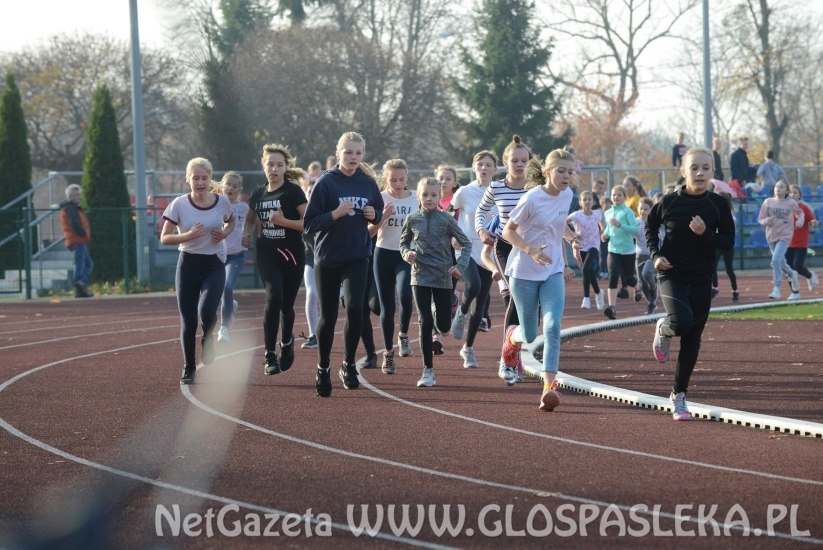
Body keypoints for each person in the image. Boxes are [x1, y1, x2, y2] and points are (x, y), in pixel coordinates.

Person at [648, 147, 736, 421]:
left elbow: (728, 242)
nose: (700, 173)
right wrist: (655, 256)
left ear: (713, 172)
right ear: (683, 171)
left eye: (706, 168)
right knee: (682, 323)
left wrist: (706, 233)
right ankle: (663, 326)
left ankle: (679, 395)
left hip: (702, 276)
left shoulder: (718, 204)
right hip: (672, 272)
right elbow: (650, 227)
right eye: (694, 167)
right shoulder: (669, 202)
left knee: (692, 340)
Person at [303, 132, 384, 397]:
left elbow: (377, 212)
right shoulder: (326, 183)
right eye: (348, 152)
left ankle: (348, 364)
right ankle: (323, 367)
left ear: (363, 155)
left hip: (357, 256)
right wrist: (334, 214)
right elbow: (309, 224)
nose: (353, 158)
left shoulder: (368, 184)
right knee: (327, 316)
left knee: (355, 309)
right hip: (327, 258)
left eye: (358, 153)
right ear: (338, 153)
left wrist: (374, 214)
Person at [499, 149, 576, 411]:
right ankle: (512, 339)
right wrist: (531, 249)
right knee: (530, 334)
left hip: (552, 270)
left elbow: (558, 223)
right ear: (547, 172)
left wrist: (571, 237)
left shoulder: (568, 195)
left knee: (553, 327)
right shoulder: (532, 198)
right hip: (524, 272)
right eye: (561, 171)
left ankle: (548, 389)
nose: (566, 176)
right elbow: (508, 232)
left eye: (570, 171)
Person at [161, 158, 235, 385]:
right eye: (196, 178)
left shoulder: (222, 202)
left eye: (204, 178)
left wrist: (224, 233)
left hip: (213, 264)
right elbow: (165, 238)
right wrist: (187, 236)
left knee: (207, 311)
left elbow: (230, 222)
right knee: (189, 320)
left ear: (210, 179)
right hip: (188, 265)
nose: (200, 183)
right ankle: (189, 366)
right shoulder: (179, 205)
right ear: (188, 180)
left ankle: (208, 338)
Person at [399, 177, 471, 387]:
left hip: (443, 276)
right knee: (424, 321)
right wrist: (407, 253)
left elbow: (466, 244)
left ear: (439, 197)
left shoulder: (447, 220)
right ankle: (427, 371)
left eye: (433, 195)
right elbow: (403, 242)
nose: (429, 198)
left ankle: (451, 306)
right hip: (419, 275)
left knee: (443, 326)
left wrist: (460, 267)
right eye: (425, 195)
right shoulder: (412, 219)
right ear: (418, 197)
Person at [242, 144, 307, 375]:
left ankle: (287, 342)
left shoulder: (293, 192)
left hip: (291, 254)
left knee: (286, 306)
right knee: (274, 297)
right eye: (270, 164)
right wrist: (246, 234)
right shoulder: (258, 194)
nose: (274, 169)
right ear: (264, 166)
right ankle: (269, 354)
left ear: (285, 167)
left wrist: (283, 223)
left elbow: (308, 223)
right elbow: (250, 219)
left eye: (279, 165)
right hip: (267, 253)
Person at [475, 135, 531, 382]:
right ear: (506, 163)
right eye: (515, 161)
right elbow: (481, 210)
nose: (520, 165)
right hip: (505, 247)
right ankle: (506, 360)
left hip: (529, 248)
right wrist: (481, 230)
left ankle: (514, 356)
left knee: (529, 308)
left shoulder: (536, 188)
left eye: (524, 161)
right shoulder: (496, 187)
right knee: (515, 297)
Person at [449, 150, 499, 368]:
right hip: (466, 248)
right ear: (474, 168)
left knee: (481, 306)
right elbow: (449, 214)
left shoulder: (500, 191)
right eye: (480, 165)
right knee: (474, 286)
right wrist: (452, 236)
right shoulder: (464, 192)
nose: (484, 168)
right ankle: (461, 312)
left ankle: (468, 348)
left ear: (495, 169)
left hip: (488, 252)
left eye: (489, 165)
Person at [370, 159, 418, 374]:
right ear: (385, 179)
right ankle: (388, 353)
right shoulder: (379, 198)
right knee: (387, 307)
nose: (397, 184)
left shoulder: (416, 197)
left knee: (406, 294)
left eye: (401, 179)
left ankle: (404, 335)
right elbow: (369, 232)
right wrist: (383, 217)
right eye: (392, 180)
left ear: (407, 177)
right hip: (383, 254)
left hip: (406, 253)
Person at [215, 171, 249, 342]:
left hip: (236, 255)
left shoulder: (243, 207)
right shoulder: (216, 204)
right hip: (217, 255)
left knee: (227, 287)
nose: (231, 188)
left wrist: (248, 235)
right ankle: (231, 306)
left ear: (239, 191)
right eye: (228, 184)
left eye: (235, 186)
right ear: (222, 187)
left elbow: (250, 224)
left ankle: (223, 329)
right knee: (218, 290)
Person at [758, 180, 804, 300]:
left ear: (787, 191)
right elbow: (761, 219)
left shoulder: (791, 203)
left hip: (785, 235)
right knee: (781, 262)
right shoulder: (768, 202)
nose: (778, 188)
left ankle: (776, 289)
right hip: (771, 236)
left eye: (782, 187)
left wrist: (799, 222)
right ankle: (792, 273)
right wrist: (767, 221)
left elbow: (800, 213)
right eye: (777, 186)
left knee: (775, 260)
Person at [600, 185, 639, 319]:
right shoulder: (607, 213)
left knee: (628, 279)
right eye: (614, 195)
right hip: (613, 250)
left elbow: (636, 230)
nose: (616, 197)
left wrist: (620, 225)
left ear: (624, 197)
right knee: (613, 277)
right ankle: (612, 307)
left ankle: (637, 287)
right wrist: (605, 235)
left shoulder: (628, 212)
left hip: (628, 250)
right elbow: (608, 230)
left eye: (619, 195)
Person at [567, 190, 604, 310]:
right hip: (581, 245)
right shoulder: (576, 215)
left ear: (593, 202)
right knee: (590, 272)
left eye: (589, 199)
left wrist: (602, 231)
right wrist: (572, 235)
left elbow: (601, 223)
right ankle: (598, 293)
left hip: (594, 245)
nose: (587, 201)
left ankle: (586, 298)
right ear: (580, 202)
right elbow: (563, 223)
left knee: (586, 269)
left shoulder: (597, 214)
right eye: (584, 199)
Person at [60, 184, 93, 298]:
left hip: (77, 239)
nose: (80, 197)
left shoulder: (72, 208)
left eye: (79, 194)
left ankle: (81, 285)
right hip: (77, 239)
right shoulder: (71, 208)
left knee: (88, 263)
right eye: (77, 195)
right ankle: (79, 285)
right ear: (70, 196)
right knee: (80, 263)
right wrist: (83, 232)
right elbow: (74, 223)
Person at [786, 184, 819, 292]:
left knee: (797, 266)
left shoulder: (803, 207)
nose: (792, 194)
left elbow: (812, 220)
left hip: (801, 242)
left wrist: (814, 222)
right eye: (790, 192)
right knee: (788, 269)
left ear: (799, 196)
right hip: (787, 242)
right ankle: (794, 292)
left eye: (795, 193)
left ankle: (810, 276)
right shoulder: (784, 207)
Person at [301, 178, 319, 350]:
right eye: (309, 192)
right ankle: (313, 334)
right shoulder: (302, 212)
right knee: (311, 293)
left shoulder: (329, 210)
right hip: (309, 260)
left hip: (331, 261)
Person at [711, 192, 740, 302]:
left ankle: (735, 290)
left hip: (726, 245)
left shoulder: (730, 216)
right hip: (716, 244)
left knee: (729, 269)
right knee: (712, 266)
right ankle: (715, 288)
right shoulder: (713, 213)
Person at [634, 197, 658, 315]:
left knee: (646, 273)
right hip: (639, 254)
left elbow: (663, 231)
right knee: (642, 283)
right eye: (641, 209)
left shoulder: (654, 221)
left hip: (651, 254)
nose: (643, 211)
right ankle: (651, 304)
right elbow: (630, 233)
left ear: (650, 210)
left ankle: (653, 287)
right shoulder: (635, 221)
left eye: (646, 209)